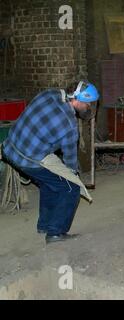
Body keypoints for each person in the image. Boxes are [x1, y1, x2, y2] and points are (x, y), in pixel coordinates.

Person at [1, 80, 99, 243]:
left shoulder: (49, 94)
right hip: (27, 158)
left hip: (10, 146)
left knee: (49, 183)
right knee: (70, 188)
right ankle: (55, 232)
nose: (89, 108)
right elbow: (70, 162)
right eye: (88, 104)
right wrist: (74, 175)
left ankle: (45, 225)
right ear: (78, 100)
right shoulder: (69, 124)